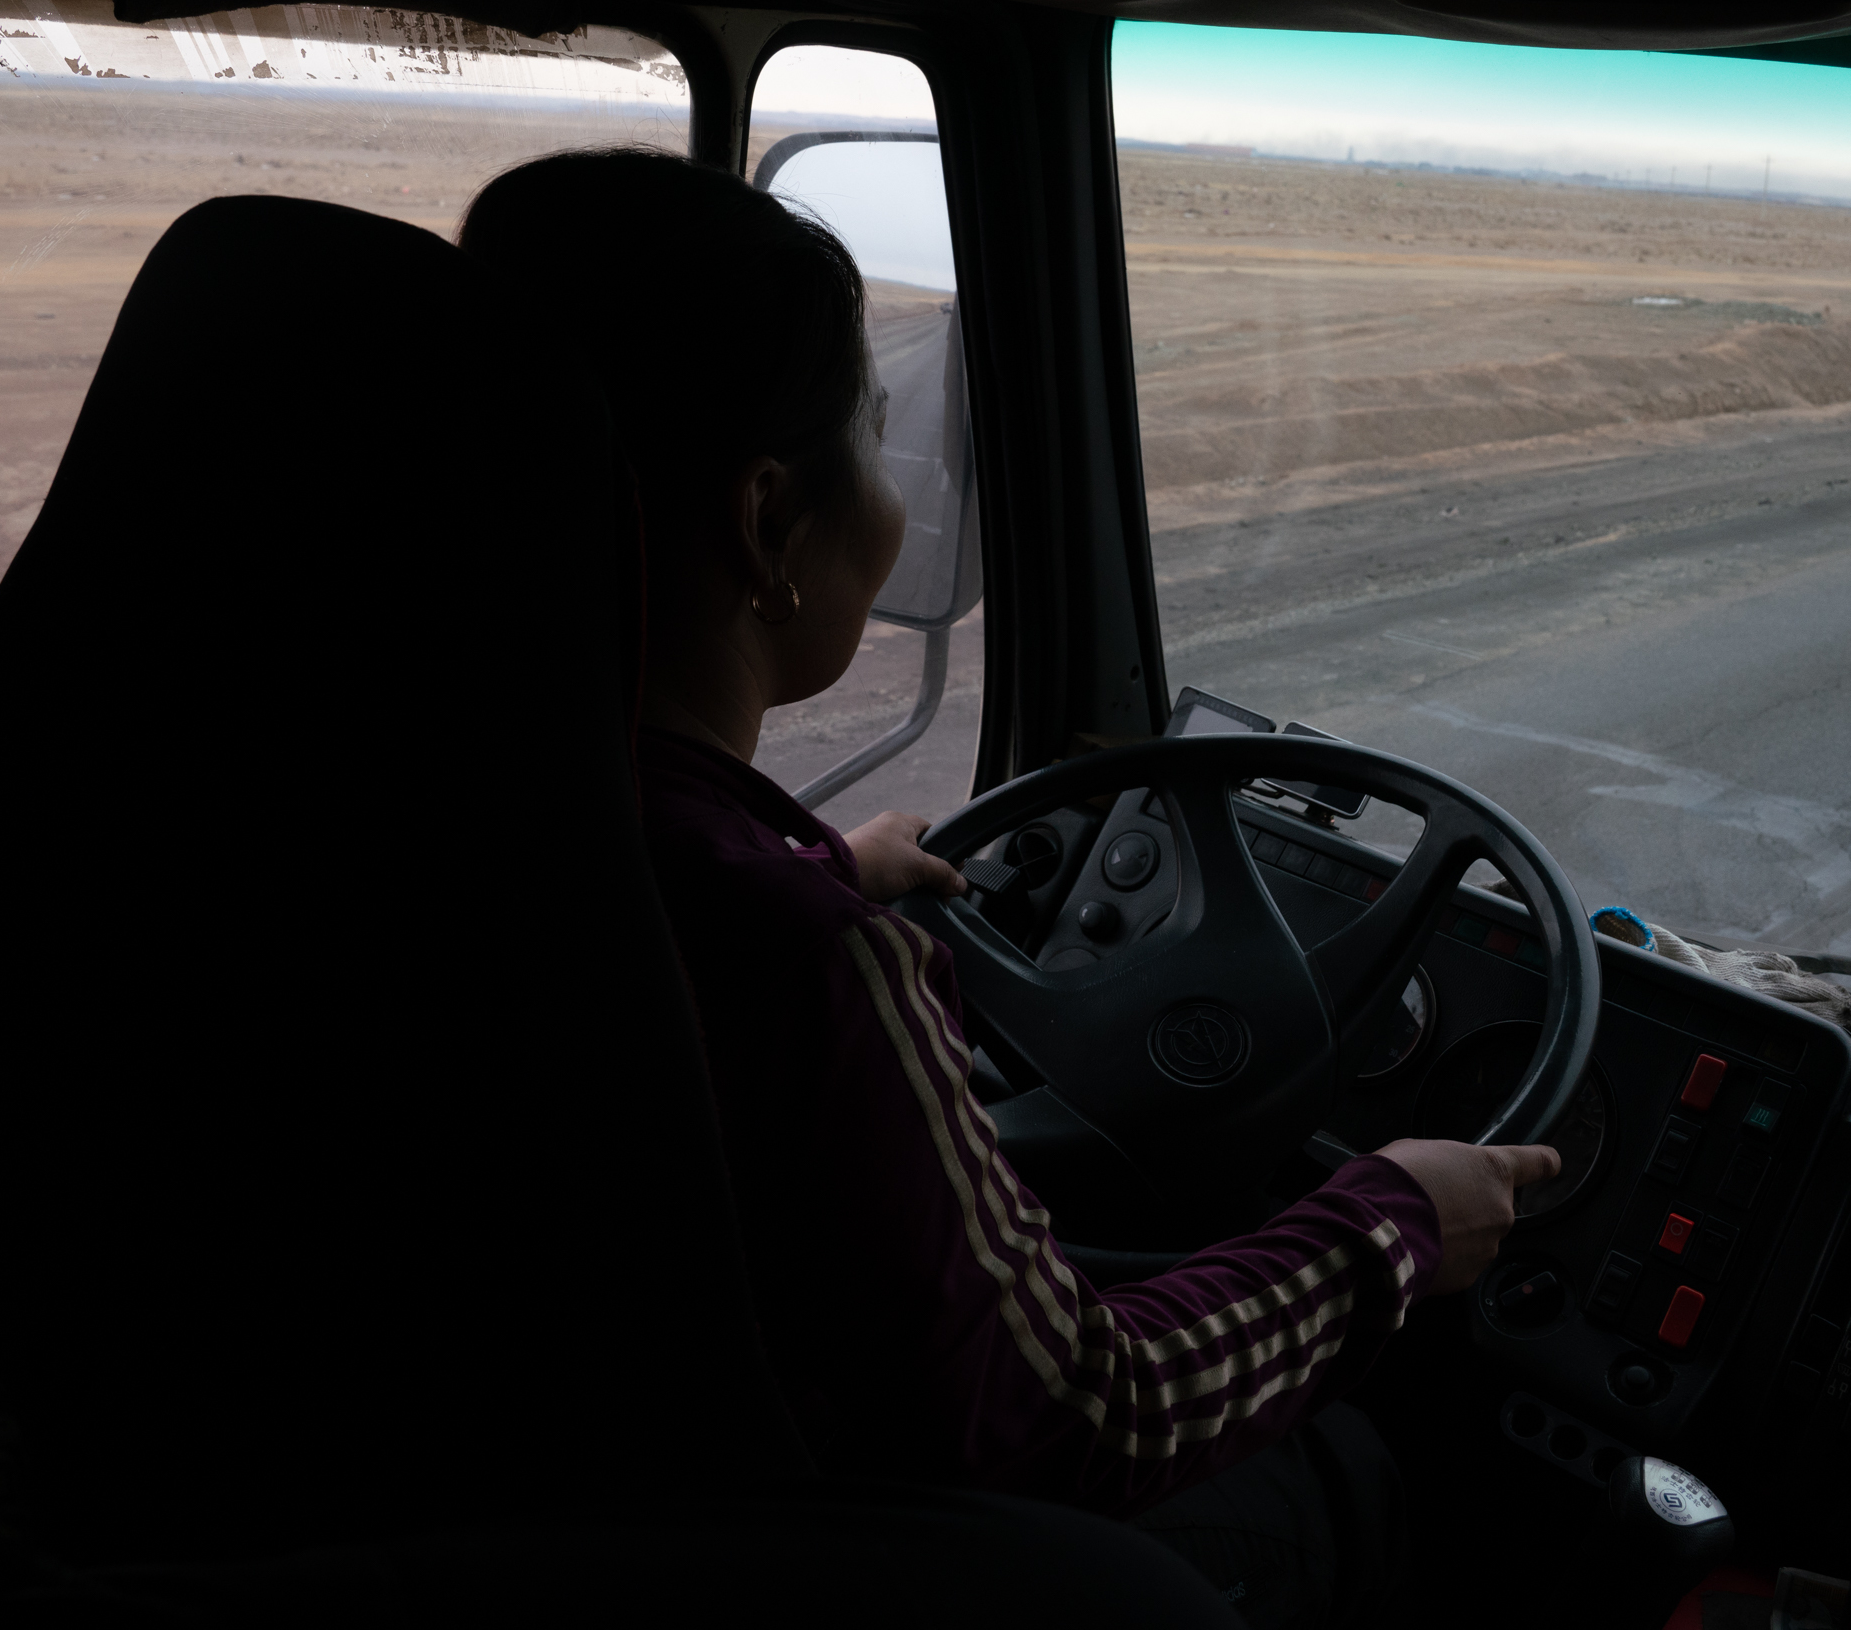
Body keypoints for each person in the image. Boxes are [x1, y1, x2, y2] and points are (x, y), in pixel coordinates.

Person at [463, 150, 1558, 1627]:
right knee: (1352, 1473)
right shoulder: (807, 965)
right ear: (768, 523)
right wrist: (1391, 1228)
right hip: (784, 1546)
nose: (896, 496)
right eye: (877, 433)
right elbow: (1082, 1417)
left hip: (514, 1503)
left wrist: (819, 868)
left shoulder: (436, 813)